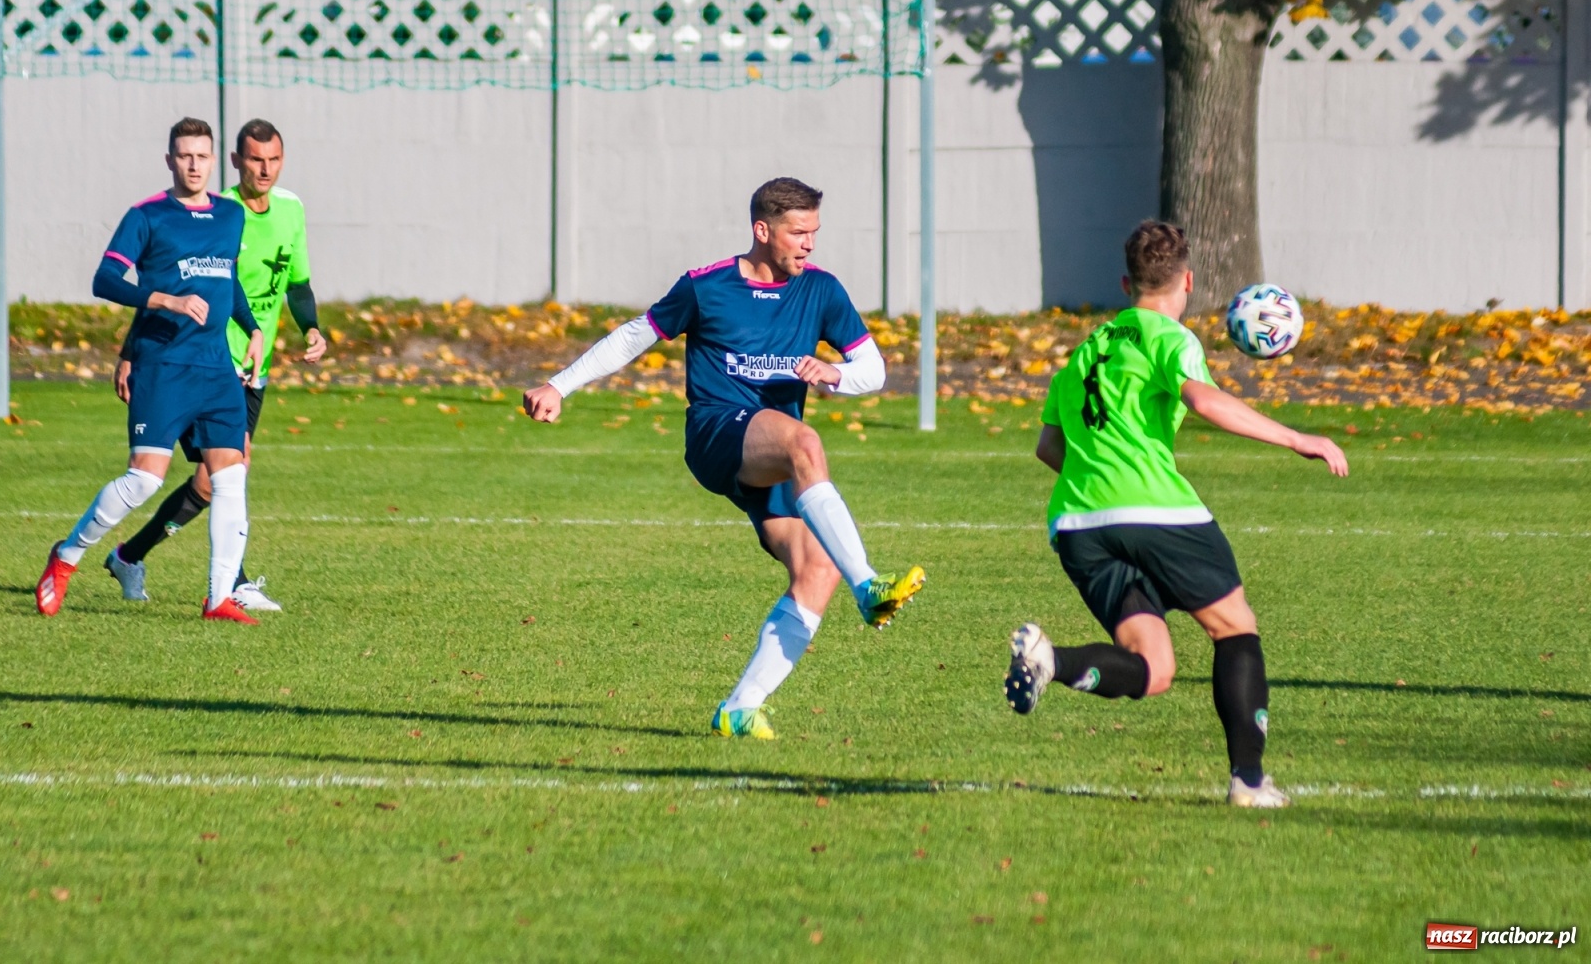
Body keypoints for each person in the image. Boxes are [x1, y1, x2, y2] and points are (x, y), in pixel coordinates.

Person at [523, 178, 926, 740]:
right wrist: (560, 386)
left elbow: (874, 371)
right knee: (804, 442)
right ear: (763, 231)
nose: (809, 244)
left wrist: (835, 373)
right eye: (798, 232)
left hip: (772, 457)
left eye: (814, 233)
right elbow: (633, 336)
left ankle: (741, 707)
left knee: (816, 568)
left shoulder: (822, 291)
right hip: (716, 432)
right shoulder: (705, 287)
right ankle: (870, 588)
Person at [1003, 221, 1349, 808]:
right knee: (1234, 627)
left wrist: (1100, 480)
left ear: (1125, 283)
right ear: (1188, 280)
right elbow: (1205, 400)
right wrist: (1296, 439)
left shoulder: (1086, 352)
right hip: (1155, 510)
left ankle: (1050, 661)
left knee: (1154, 668)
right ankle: (1249, 782)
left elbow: (1048, 449)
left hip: (1078, 525)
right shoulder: (1169, 337)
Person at [36, 117, 265, 625]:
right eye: (184, 155)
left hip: (216, 369)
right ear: (169, 160)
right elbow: (104, 279)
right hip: (163, 366)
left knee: (230, 476)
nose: (193, 164)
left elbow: (227, 280)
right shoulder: (146, 215)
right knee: (144, 480)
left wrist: (251, 328)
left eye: (202, 156)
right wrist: (162, 299)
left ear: (213, 159)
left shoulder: (231, 216)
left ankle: (218, 597)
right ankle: (67, 556)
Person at [104, 118, 325, 612]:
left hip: (254, 364)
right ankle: (232, 585)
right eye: (254, 160)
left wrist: (310, 327)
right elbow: (165, 282)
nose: (264, 170)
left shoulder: (290, 210)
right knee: (229, 470)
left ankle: (128, 555)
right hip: (199, 361)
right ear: (236, 162)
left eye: (273, 160)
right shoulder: (214, 211)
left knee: (210, 481)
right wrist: (129, 351)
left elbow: (297, 282)